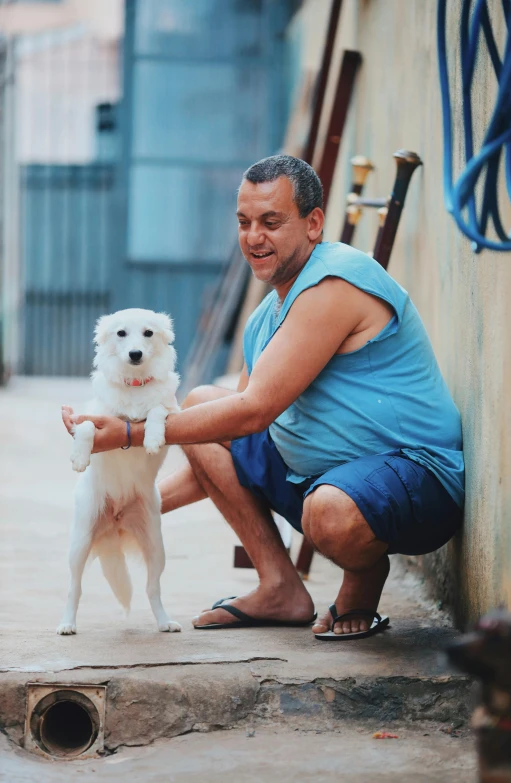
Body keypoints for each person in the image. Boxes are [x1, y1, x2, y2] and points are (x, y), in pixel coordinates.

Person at [62, 154, 464, 640]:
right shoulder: (266, 317)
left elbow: (255, 413)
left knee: (328, 512)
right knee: (203, 405)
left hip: (415, 478)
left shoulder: (334, 282)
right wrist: (127, 510)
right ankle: (279, 587)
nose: (254, 237)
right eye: (245, 222)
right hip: (321, 476)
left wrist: (128, 434)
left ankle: (363, 577)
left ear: (313, 223)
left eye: (271, 222)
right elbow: (219, 441)